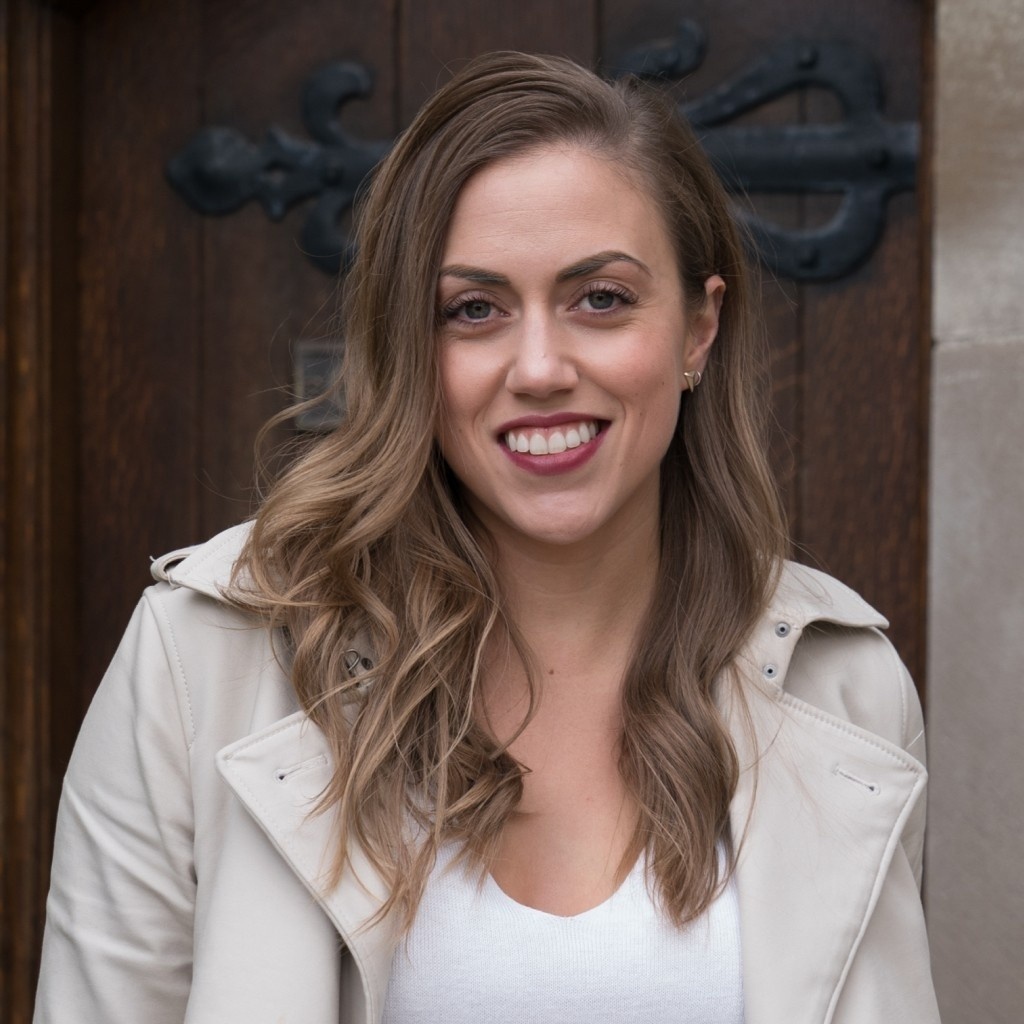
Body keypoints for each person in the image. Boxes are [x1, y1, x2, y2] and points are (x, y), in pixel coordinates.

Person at [34, 52, 940, 1023]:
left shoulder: (843, 685)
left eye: (601, 298)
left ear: (696, 328)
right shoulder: (202, 662)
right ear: (409, 348)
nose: (540, 368)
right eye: (473, 310)